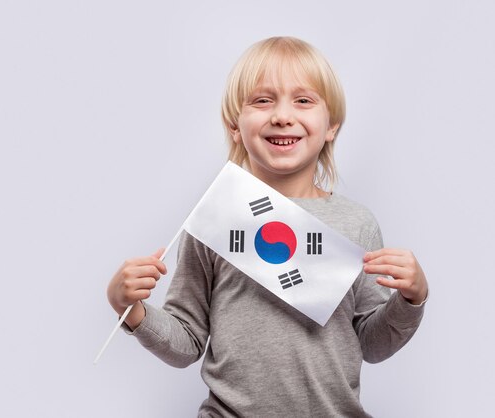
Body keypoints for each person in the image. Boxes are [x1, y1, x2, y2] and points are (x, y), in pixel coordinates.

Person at [106, 36, 428, 417]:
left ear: (331, 128)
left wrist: (412, 299)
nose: (282, 115)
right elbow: (187, 343)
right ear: (234, 127)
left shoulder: (356, 224)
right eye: (262, 100)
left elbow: (371, 344)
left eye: (303, 100)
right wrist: (129, 308)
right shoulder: (215, 220)